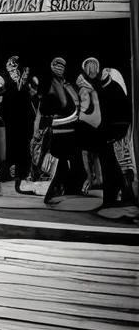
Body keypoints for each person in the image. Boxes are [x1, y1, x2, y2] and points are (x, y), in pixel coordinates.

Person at [84, 58, 138, 216]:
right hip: (111, 131)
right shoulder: (103, 86)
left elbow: (109, 110)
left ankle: (113, 198)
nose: (91, 72)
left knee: (113, 166)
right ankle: (114, 198)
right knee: (112, 166)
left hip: (112, 132)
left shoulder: (104, 87)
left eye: (92, 69)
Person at [39, 57, 82, 205]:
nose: (60, 68)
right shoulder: (53, 83)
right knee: (63, 162)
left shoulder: (65, 82)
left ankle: (69, 189)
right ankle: (58, 191)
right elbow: (54, 105)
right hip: (61, 129)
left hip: (69, 128)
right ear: (51, 66)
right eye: (57, 65)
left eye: (62, 65)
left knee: (67, 162)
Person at [3, 56, 39, 194]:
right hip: (20, 119)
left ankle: (19, 181)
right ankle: (19, 181)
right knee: (21, 149)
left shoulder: (16, 82)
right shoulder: (18, 82)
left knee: (20, 149)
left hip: (18, 119)